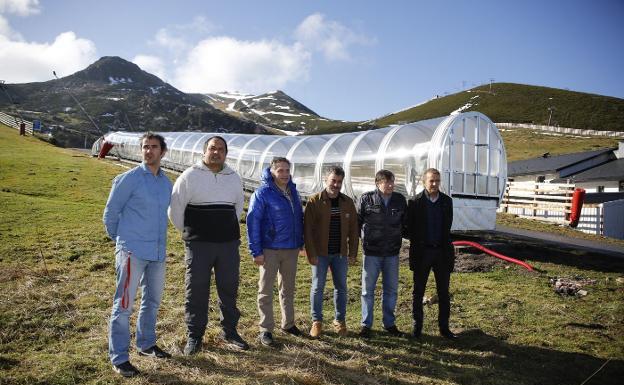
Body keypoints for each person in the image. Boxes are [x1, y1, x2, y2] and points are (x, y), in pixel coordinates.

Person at [168, 136, 248, 354]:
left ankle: (230, 331)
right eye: (212, 148)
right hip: (199, 245)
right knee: (196, 289)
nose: (216, 152)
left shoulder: (233, 177)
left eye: (221, 149)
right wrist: (190, 233)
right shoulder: (190, 176)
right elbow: (175, 209)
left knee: (229, 288)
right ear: (204, 151)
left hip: (228, 245)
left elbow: (238, 208)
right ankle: (195, 336)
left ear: (225, 153)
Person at [103, 132, 173, 378]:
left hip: (157, 253)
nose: (148, 151)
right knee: (123, 305)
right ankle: (120, 357)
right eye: (145, 147)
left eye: (154, 147)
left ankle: (146, 344)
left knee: (152, 302)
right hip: (132, 251)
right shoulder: (128, 179)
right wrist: (123, 242)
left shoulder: (166, 183)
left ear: (162, 152)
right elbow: (110, 214)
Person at [247, 157, 304, 346]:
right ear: (272, 172)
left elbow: (298, 219)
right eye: (280, 170)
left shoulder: (293, 191)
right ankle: (266, 329)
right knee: (265, 290)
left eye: (287, 170)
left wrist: (300, 242)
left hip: (291, 248)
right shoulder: (263, 193)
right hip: (270, 248)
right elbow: (253, 222)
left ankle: (288, 324)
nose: (285, 174)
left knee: (287, 289)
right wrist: (256, 251)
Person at [304, 166, 359, 338]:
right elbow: (308, 230)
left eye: (339, 182)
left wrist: (353, 253)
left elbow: (353, 230)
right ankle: (316, 321)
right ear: (325, 180)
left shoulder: (347, 202)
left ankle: (339, 320)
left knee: (341, 288)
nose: (336, 185)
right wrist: (311, 253)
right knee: (317, 287)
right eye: (333, 181)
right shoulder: (314, 201)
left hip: (340, 254)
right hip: (320, 253)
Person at [407, 168, 457, 339]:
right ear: (424, 182)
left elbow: (447, 227)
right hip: (423, 253)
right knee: (418, 291)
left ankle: (444, 328)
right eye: (431, 181)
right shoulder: (414, 202)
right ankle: (417, 327)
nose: (435, 184)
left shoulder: (446, 202)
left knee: (443, 292)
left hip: (441, 253)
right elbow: (409, 228)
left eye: (437, 180)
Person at [358, 169, 407, 338]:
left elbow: (405, 224)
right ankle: (366, 324)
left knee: (391, 290)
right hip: (371, 252)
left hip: (392, 252)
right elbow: (358, 223)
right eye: (387, 182)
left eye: (392, 181)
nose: (391, 185)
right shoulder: (366, 199)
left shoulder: (399, 200)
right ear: (378, 183)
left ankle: (389, 323)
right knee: (367, 290)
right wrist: (362, 242)